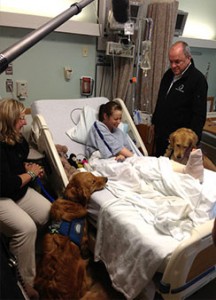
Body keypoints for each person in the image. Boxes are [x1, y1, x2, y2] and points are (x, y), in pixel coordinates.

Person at [0, 98, 51, 298]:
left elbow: (19, 164)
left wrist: (27, 169)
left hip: (16, 192)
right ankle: (24, 286)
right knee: (26, 228)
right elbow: (4, 183)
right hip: (2, 195)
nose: (24, 122)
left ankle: (28, 257)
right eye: (20, 118)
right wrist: (28, 175)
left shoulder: (17, 139)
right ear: (9, 120)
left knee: (48, 212)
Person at [86, 100, 204, 183]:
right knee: (134, 173)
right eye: (115, 119)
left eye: (120, 118)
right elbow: (115, 148)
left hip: (122, 159)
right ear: (105, 116)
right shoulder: (98, 126)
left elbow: (126, 149)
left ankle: (184, 171)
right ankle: (178, 175)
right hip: (101, 161)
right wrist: (136, 158)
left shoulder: (118, 131)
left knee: (154, 163)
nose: (118, 122)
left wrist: (125, 156)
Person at [151, 41, 208, 157]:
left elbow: (199, 115)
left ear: (188, 58)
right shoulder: (168, 75)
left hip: (180, 142)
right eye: (171, 61)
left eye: (177, 62)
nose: (173, 66)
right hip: (162, 135)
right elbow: (161, 101)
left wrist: (194, 142)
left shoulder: (198, 80)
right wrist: (154, 122)